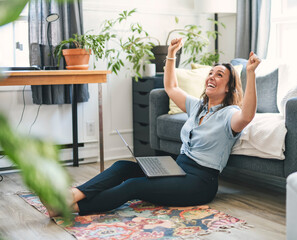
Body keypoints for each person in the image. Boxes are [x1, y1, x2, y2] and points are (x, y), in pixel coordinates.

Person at [44, 38, 261, 217]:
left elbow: (248, 114)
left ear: (229, 87)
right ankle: (73, 194)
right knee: (122, 167)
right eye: (211, 73)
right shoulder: (198, 106)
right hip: (177, 168)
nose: (211, 77)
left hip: (199, 183)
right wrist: (171, 54)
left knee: (133, 186)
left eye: (219, 75)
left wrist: (250, 73)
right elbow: (170, 86)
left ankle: (68, 207)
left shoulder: (229, 115)